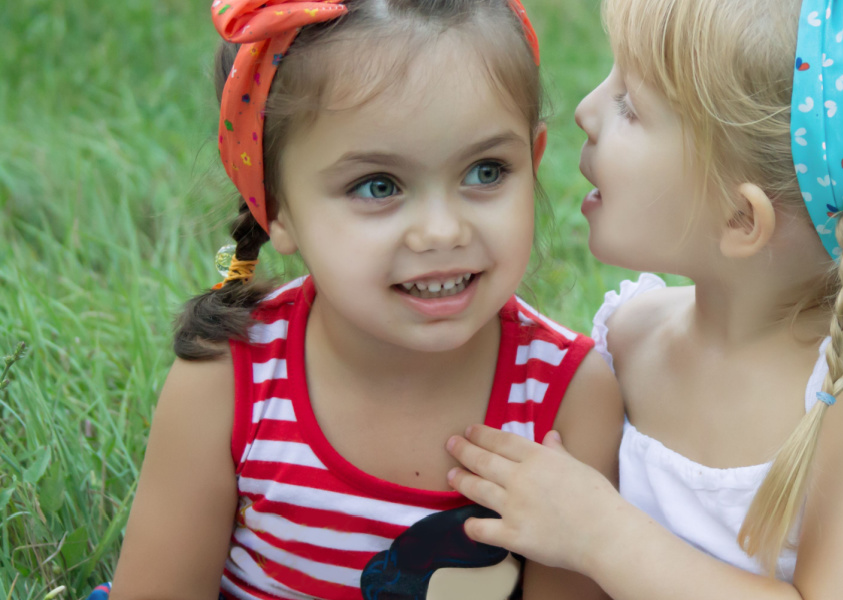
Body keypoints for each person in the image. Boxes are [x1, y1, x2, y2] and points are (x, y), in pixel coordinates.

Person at [444, 0, 843, 597]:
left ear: (741, 219)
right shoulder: (628, 338)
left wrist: (599, 533)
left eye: (629, 106)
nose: (585, 111)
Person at [107, 1, 621, 599]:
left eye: (485, 171)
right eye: (378, 186)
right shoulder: (230, 378)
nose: (442, 231)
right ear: (275, 206)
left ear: (531, 164)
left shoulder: (569, 399)